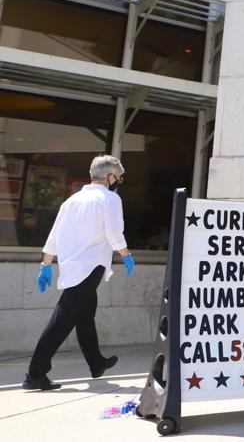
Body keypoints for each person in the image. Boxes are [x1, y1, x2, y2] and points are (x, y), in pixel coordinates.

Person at [22, 155, 135, 391]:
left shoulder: (71, 200)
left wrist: (45, 265)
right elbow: (115, 233)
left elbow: (53, 236)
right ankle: (35, 373)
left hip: (71, 266)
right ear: (110, 176)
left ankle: (96, 363)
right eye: (119, 178)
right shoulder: (110, 199)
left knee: (85, 315)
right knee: (63, 318)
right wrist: (125, 255)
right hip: (91, 265)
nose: (118, 182)